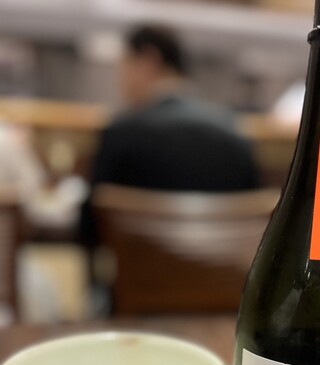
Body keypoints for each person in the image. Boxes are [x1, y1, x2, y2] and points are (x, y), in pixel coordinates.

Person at [81, 25, 260, 244]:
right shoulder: (234, 134)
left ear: (149, 61)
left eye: (124, 66)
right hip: (219, 266)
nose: (120, 80)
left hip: (139, 266)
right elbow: (256, 227)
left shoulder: (121, 134)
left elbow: (88, 230)